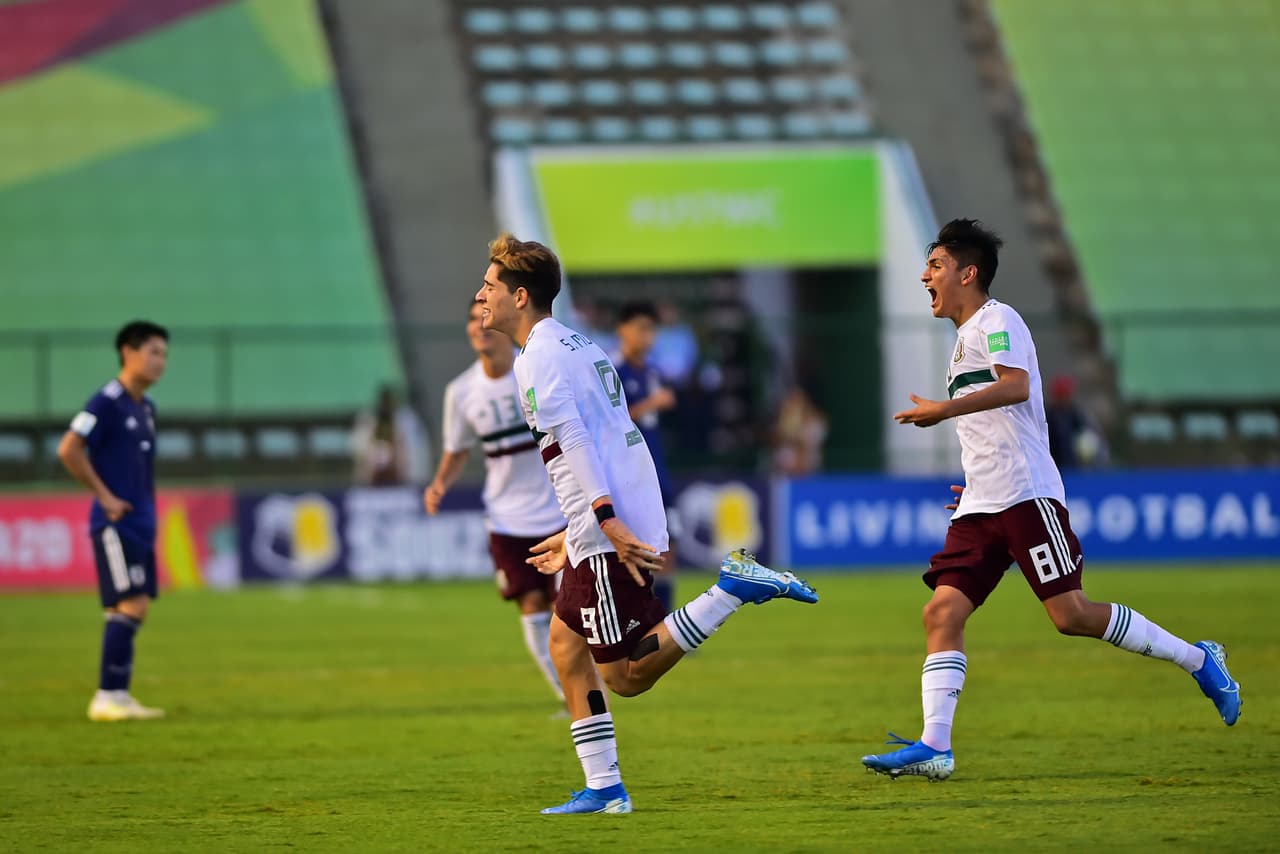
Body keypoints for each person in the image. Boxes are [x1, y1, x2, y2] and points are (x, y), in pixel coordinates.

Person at [862, 219, 1240, 781]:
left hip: (1026, 496)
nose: (925, 275)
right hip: (983, 502)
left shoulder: (999, 320)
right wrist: (977, 478)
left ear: (969, 274)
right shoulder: (963, 339)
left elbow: (1016, 386)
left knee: (1071, 615)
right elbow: (1003, 421)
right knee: (941, 611)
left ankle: (1199, 658)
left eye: (936, 266)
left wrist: (942, 411)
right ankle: (935, 745)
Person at [475, 233, 818, 815]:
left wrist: (601, 521)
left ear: (521, 295)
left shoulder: (539, 357)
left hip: (612, 518)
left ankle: (728, 592)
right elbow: (604, 439)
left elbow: (577, 442)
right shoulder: (577, 345)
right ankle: (604, 787)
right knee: (564, 644)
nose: (480, 296)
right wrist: (577, 529)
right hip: (612, 510)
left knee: (626, 676)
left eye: (489, 286)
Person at [424, 301, 568, 709]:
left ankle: (583, 685)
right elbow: (457, 450)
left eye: (483, 316)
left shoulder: (533, 370)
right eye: (470, 319)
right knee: (532, 607)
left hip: (559, 512)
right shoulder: (462, 392)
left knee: (567, 610)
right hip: (507, 520)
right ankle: (567, 694)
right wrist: (439, 485)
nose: (478, 326)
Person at [57, 320, 169, 722]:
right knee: (133, 603)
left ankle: (117, 694)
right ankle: (108, 696)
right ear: (128, 351)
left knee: (128, 606)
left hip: (140, 523)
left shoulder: (146, 409)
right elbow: (69, 448)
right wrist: (104, 496)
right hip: (115, 523)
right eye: (153, 352)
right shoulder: (106, 401)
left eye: (164, 355)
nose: (160, 362)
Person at [612, 301, 678, 610]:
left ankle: (664, 621)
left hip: (658, 470)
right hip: (629, 475)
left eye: (651, 329)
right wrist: (653, 403)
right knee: (634, 550)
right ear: (622, 330)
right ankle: (635, 620)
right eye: (640, 328)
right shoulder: (612, 371)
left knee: (668, 547)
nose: (647, 336)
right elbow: (612, 421)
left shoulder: (652, 371)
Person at [352, 385, 431, 486]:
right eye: (385, 402)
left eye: (389, 402)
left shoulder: (407, 421)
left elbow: (414, 451)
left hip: (402, 477)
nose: (387, 405)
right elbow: (361, 450)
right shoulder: (369, 423)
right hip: (375, 479)